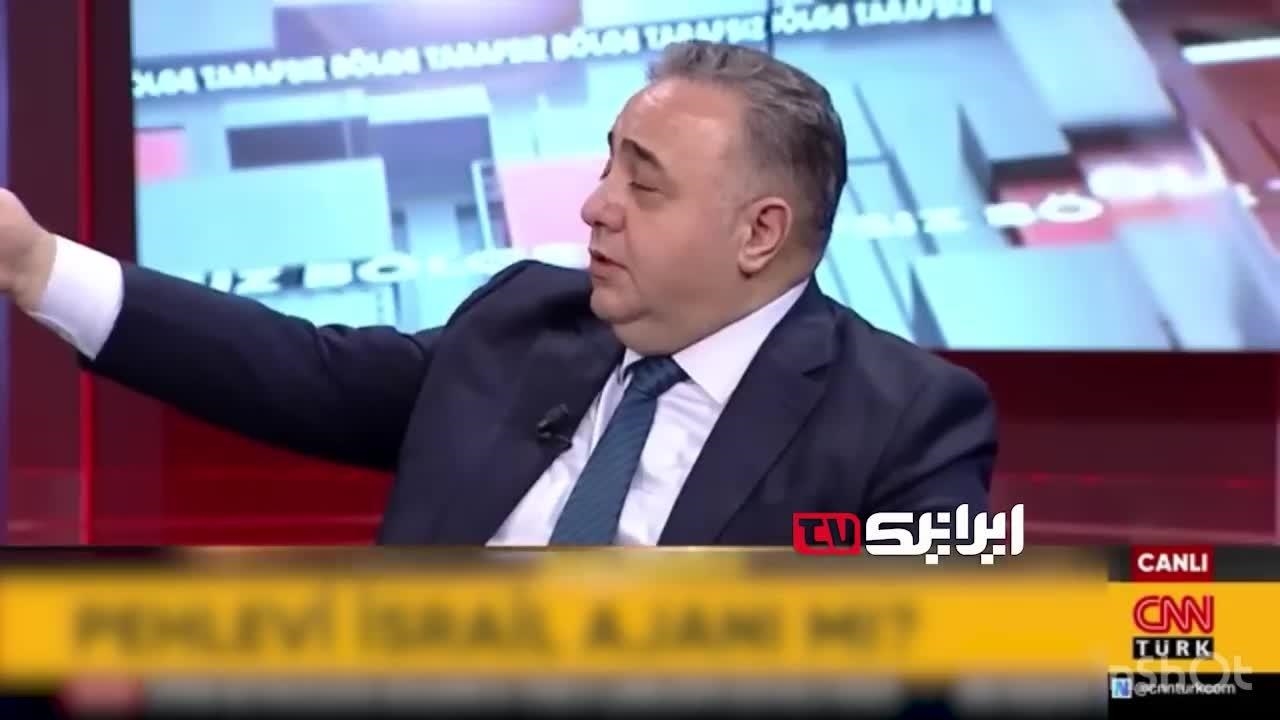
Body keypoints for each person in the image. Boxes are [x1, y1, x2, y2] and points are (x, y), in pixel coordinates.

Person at [0, 41, 997, 546]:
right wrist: (36, 264)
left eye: (644, 185)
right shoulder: (524, 324)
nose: (595, 205)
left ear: (760, 233)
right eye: (608, 164)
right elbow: (298, 373)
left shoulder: (905, 422)